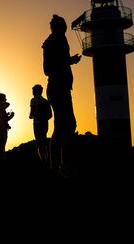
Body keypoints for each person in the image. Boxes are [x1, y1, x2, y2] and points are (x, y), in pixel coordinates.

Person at [42, 14, 81, 175]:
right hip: (57, 88)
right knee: (65, 125)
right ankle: (59, 165)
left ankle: (61, 164)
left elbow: (61, 62)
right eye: (62, 26)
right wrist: (69, 61)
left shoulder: (62, 39)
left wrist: (69, 61)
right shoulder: (51, 43)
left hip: (63, 87)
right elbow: (47, 70)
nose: (65, 29)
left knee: (67, 125)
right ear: (58, 27)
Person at [29, 84, 52, 168]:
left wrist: (32, 116)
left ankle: (44, 162)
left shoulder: (33, 100)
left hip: (37, 123)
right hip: (45, 123)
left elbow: (32, 113)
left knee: (39, 143)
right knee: (44, 141)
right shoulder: (46, 101)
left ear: (35, 91)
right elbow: (50, 115)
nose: (32, 93)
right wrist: (44, 119)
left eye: (33, 91)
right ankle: (47, 160)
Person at [0, 93, 15, 163]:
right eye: (5, 98)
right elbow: (5, 119)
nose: (6, 99)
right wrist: (12, 116)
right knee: (2, 147)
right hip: (2, 130)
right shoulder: (1, 107)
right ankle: (2, 162)